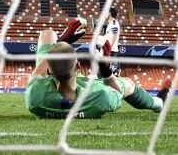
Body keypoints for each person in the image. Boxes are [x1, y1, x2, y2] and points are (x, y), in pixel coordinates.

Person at [25, 18, 170, 119]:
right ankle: (159, 103)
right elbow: (120, 92)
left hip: (56, 88)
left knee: (48, 34)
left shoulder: (35, 97)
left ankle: (56, 52)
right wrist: (106, 71)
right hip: (84, 90)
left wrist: (62, 42)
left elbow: (36, 73)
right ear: (78, 65)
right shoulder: (100, 96)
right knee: (127, 83)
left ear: (48, 72)